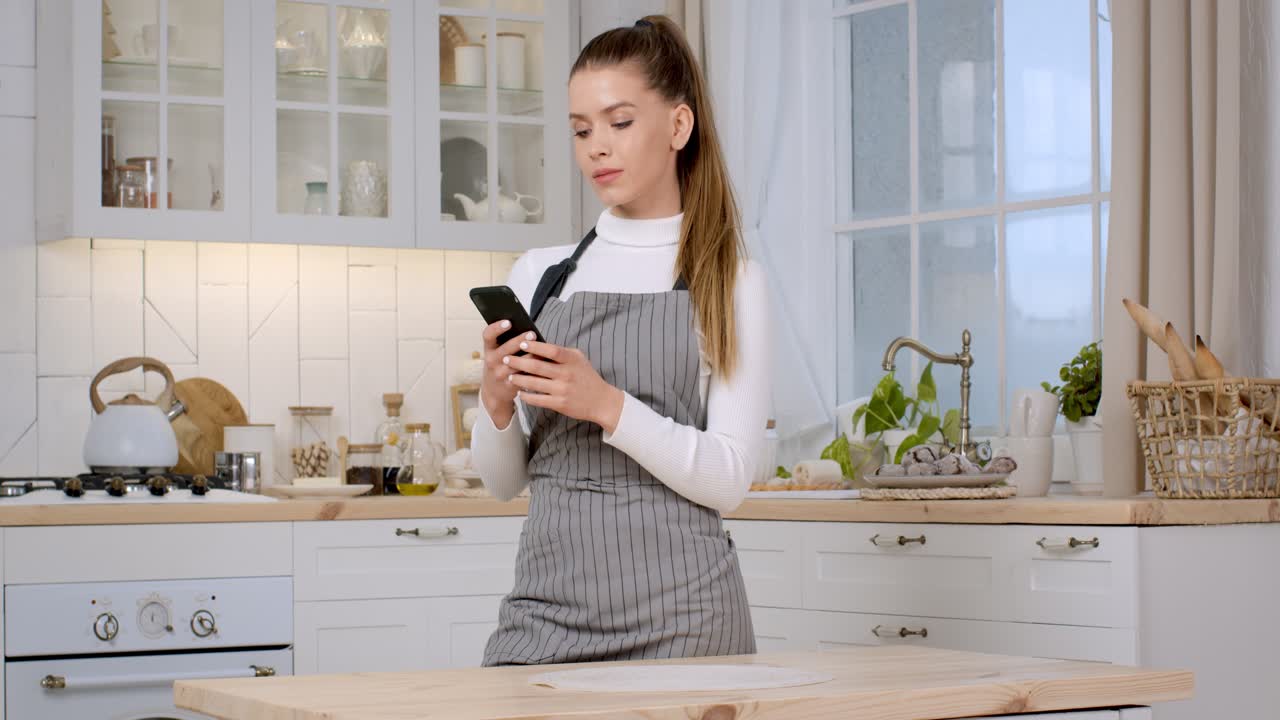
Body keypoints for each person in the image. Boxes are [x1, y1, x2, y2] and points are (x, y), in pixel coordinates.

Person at [472, 14, 771, 666]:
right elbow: (503, 483)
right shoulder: (542, 275)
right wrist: (494, 405)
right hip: (545, 614)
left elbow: (729, 479)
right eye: (581, 130)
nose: (596, 148)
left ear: (678, 126)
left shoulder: (730, 280)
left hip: (685, 625)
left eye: (620, 122)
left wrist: (606, 403)